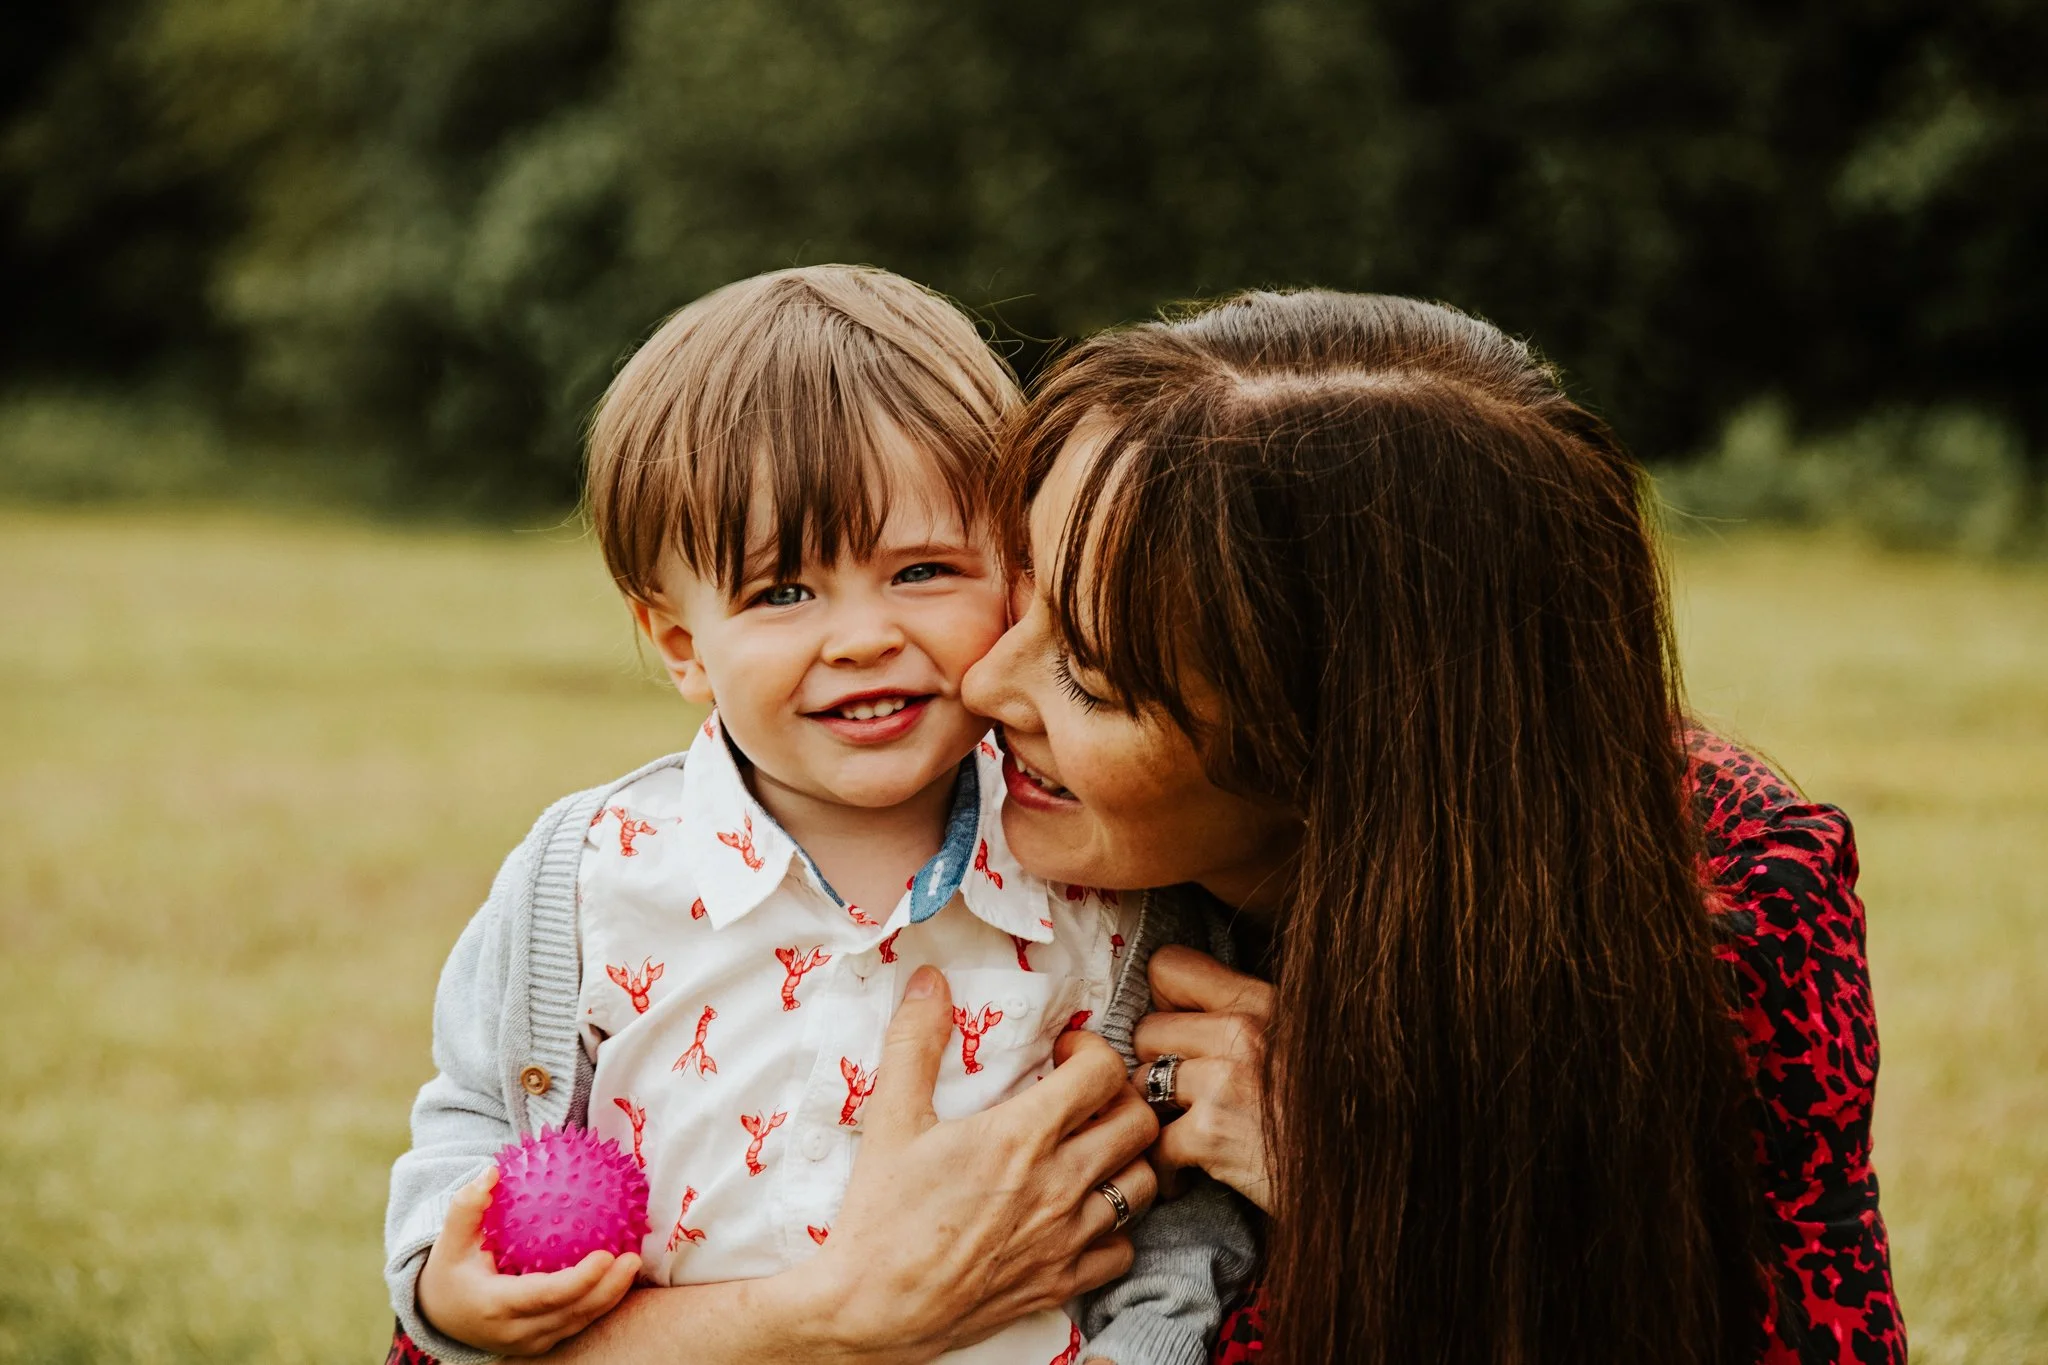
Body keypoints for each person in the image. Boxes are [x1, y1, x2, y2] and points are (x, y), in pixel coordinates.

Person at [960, 289, 1906, 1364]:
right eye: (1017, 588)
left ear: (1339, 751)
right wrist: (838, 1311)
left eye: (1089, 677)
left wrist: (1374, 1196)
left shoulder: (1726, 899)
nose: (981, 682)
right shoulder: (923, 823)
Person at [381, 266, 1252, 1364]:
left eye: (923, 570)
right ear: (679, 646)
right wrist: (445, 1286)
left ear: (1014, 578)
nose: (860, 637)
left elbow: (1180, 1213)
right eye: (782, 592)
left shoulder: (1104, 875)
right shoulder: (592, 878)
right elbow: (475, 1116)